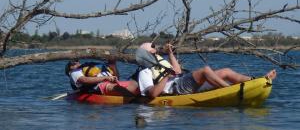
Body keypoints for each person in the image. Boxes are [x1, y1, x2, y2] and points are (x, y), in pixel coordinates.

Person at [137, 42, 277, 98]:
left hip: (182, 81)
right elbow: (152, 94)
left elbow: (178, 71)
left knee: (226, 71)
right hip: (175, 88)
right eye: (153, 50)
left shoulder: (160, 62)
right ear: (147, 55)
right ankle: (231, 91)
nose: (156, 51)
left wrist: (171, 54)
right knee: (205, 70)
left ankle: (258, 80)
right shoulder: (145, 72)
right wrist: (167, 76)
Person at [65, 58, 139, 96]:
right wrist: (105, 78)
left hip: (110, 82)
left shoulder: (85, 67)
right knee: (115, 88)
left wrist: (113, 65)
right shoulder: (73, 72)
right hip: (98, 86)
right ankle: (133, 97)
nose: (77, 63)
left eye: (77, 61)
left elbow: (117, 78)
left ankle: (141, 92)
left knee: (134, 83)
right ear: (70, 69)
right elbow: (85, 80)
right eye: (72, 64)